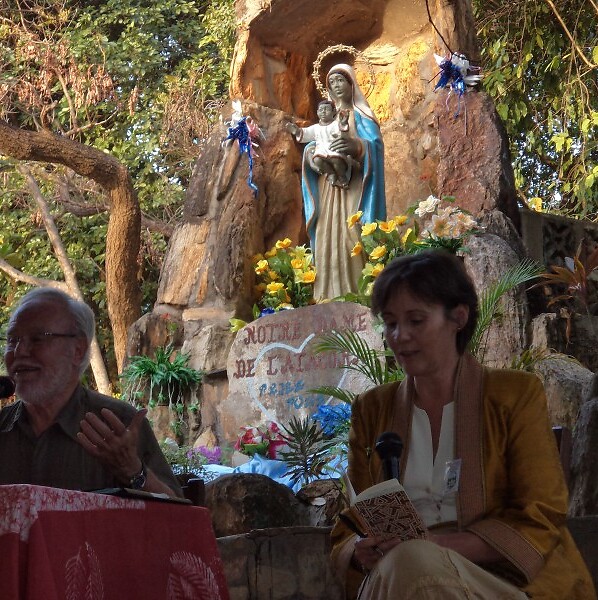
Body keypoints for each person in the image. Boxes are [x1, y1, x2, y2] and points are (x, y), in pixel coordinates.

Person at [330, 250, 595, 599]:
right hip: (394, 576)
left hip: (501, 581)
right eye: (390, 323)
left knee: (410, 559)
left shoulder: (514, 394)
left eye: (415, 320)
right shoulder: (371, 409)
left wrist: (433, 547)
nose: (400, 335)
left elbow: (540, 514)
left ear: (458, 317)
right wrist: (359, 549)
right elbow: (350, 523)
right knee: (405, 562)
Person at [0, 288, 183, 497]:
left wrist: (133, 470)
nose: (19, 351)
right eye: (12, 340)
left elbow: (178, 513)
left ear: (77, 350)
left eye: (37, 339)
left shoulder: (119, 425)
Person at [300, 63, 386, 300]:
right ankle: (326, 297)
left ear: (351, 84)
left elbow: (375, 146)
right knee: (326, 237)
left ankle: (359, 295)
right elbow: (314, 143)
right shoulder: (326, 119)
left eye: (340, 80)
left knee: (352, 236)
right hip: (328, 187)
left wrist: (357, 146)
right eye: (332, 83)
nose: (336, 86)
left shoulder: (362, 116)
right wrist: (309, 154)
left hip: (355, 186)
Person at [287, 100, 353, 188]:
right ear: (317, 112)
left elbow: (343, 135)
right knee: (317, 160)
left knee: (336, 160)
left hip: (334, 148)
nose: (323, 112)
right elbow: (306, 133)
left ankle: (342, 177)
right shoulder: (316, 127)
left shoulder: (336, 125)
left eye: (327, 109)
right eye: (321, 110)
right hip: (321, 150)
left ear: (334, 112)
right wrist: (297, 131)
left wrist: (344, 123)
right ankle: (331, 173)